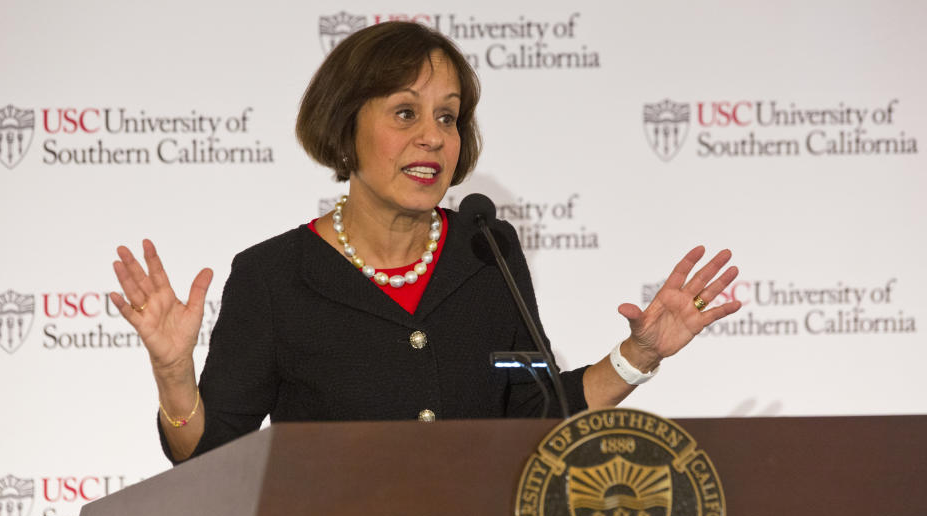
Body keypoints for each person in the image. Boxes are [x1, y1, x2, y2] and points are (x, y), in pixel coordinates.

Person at [110, 22, 741, 464]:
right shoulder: (276, 278)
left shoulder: (485, 252)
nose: (434, 137)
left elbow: (532, 406)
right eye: (405, 113)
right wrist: (172, 373)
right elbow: (211, 451)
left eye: (448, 116)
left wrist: (638, 354)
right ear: (345, 126)